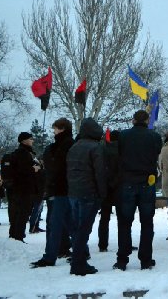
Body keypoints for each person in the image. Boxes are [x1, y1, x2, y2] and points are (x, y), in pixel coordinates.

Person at [114, 110, 162, 271]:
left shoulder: (123, 136)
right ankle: (146, 259)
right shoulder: (154, 136)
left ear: (133, 120)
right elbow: (156, 153)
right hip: (147, 182)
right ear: (147, 121)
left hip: (127, 182)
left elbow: (117, 156)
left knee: (125, 222)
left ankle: (122, 259)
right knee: (147, 222)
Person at [31, 118, 75, 268]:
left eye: (55, 129)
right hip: (66, 189)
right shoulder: (63, 145)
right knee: (70, 224)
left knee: (54, 224)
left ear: (61, 129)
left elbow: (57, 168)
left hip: (60, 189)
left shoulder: (62, 146)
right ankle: (81, 251)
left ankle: (50, 257)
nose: (54, 131)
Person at [67, 118, 106, 276]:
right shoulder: (96, 148)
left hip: (74, 193)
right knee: (84, 230)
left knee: (78, 229)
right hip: (89, 193)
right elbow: (100, 173)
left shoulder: (74, 147)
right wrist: (102, 194)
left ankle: (79, 260)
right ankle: (78, 264)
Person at [9, 132, 41, 242]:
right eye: (30, 139)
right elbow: (22, 170)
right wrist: (34, 169)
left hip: (20, 188)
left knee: (18, 213)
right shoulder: (23, 153)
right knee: (22, 213)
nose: (32, 140)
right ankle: (18, 236)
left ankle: (14, 235)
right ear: (24, 141)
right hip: (24, 188)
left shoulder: (22, 153)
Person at [98, 129, 119, 253]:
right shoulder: (122, 151)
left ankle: (103, 244)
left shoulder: (102, 150)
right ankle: (125, 241)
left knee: (104, 218)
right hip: (119, 187)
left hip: (106, 187)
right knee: (123, 218)